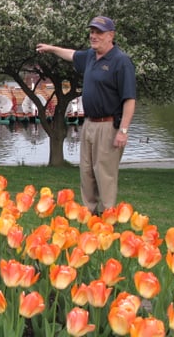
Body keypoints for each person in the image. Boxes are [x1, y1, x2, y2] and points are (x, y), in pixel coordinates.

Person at [36, 16, 136, 215]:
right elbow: (72, 55)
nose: (93, 36)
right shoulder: (90, 56)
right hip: (89, 123)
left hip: (109, 126)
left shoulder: (121, 61)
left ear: (111, 35)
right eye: (92, 32)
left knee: (104, 173)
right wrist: (52, 49)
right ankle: (90, 215)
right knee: (87, 171)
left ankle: (108, 217)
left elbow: (129, 100)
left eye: (99, 32)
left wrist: (123, 131)